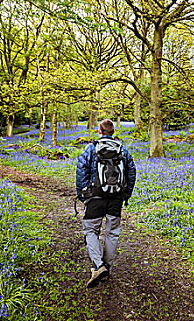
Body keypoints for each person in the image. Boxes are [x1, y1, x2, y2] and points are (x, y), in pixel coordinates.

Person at [76, 119, 137, 288]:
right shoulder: (122, 150)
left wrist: (83, 196)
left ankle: (98, 265)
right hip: (116, 198)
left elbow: (81, 172)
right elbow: (131, 173)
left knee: (90, 231)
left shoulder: (90, 149)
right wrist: (126, 195)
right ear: (114, 132)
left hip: (95, 197)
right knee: (112, 233)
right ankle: (107, 267)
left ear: (99, 131)